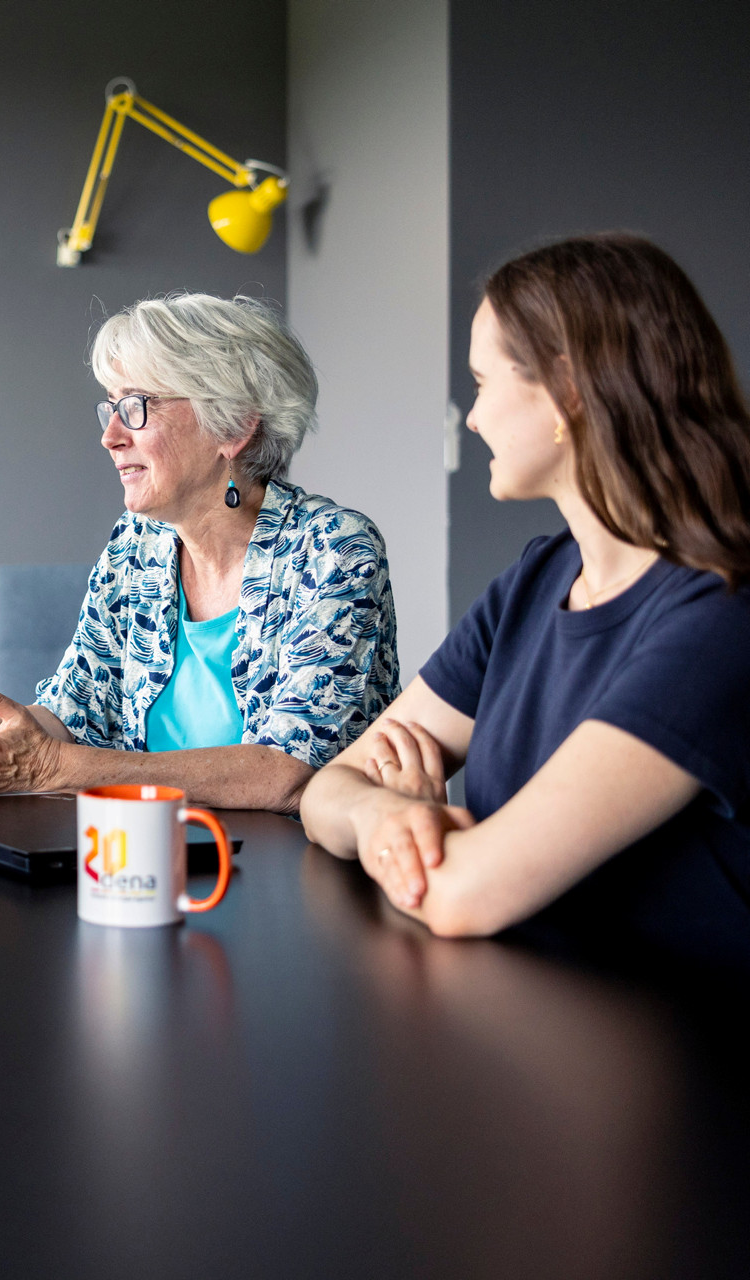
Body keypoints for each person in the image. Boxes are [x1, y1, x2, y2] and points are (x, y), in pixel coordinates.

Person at [300, 235, 750, 971]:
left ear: (569, 390)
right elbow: (328, 791)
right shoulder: (536, 582)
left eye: (481, 382)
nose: (471, 418)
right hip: (532, 1022)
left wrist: (413, 835)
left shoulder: (719, 620)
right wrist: (388, 813)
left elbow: (459, 896)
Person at [0, 293, 398, 811]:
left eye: (138, 406)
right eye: (111, 408)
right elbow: (71, 719)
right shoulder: (137, 544)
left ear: (234, 426)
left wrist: (58, 769)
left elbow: (289, 772)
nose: (111, 437)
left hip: (296, 884)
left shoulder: (334, 551)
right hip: (143, 858)